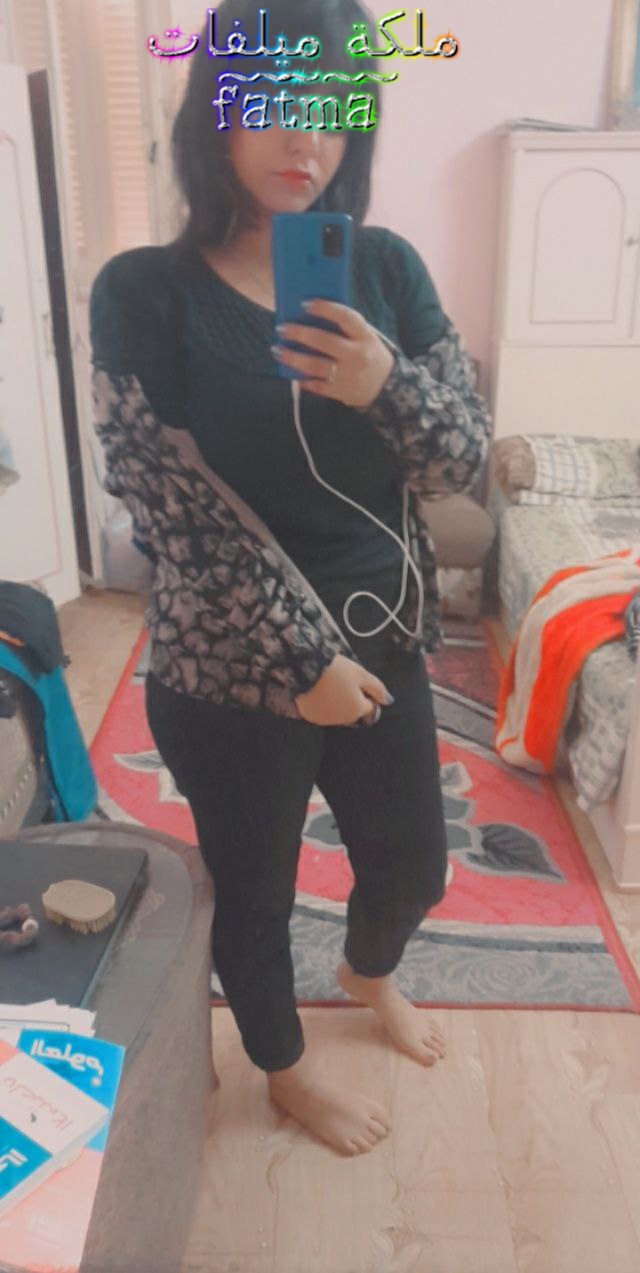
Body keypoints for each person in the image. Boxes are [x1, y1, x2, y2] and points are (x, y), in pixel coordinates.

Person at [89, 0, 492, 1158]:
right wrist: (297, 658)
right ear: (213, 116)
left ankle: (369, 973)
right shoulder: (143, 291)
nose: (302, 136)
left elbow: (461, 463)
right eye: (269, 102)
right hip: (229, 662)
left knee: (411, 864)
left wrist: (386, 385)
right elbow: (161, 502)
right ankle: (285, 1069)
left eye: (330, 108)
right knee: (254, 887)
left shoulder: (386, 268)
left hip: (385, 635)